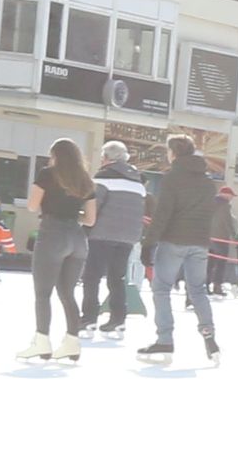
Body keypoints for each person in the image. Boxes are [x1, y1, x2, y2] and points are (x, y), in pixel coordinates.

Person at [137, 133, 227, 362]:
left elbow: (162, 214)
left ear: (173, 153)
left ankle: (165, 339)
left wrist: (148, 244)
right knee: (197, 290)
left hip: (174, 240)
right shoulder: (208, 182)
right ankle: (209, 334)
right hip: (200, 243)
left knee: (162, 288)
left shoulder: (172, 178)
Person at [20, 139, 97, 361]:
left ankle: (42, 342)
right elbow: (90, 219)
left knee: (43, 293)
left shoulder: (47, 174)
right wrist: (73, 213)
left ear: (55, 155)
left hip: (52, 234)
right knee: (67, 293)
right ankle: (72, 342)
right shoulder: (86, 180)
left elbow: (33, 206)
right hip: (77, 238)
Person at [84, 141, 147, 334]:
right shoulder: (138, 182)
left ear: (107, 158)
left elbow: (94, 206)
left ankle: (88, 317)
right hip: (129, 236)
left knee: (92, 276)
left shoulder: (103, 178)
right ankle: (118, 318)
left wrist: (85, 228)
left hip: (103, 233)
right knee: (116, 277)